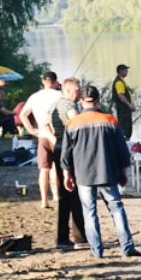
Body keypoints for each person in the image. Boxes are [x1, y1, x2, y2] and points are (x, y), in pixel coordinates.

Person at [60, 85, 141, 259]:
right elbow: (122, 151)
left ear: (81, 102)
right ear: (98, 101)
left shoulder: (72, 123)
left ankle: (97, 251)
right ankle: (126, 247)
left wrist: (67, 174)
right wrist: (124, 172)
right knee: (117, 209)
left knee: (89, 212)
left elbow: (66, 153)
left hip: (83, 175)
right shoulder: (110, 120)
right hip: (108, 173)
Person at [51, 77, 88, 250]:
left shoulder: (56, 104)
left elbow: (44, 123)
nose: (79, 93)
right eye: (77, 91)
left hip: (58, 149)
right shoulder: (68, 106)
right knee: (74, 194)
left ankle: (63, 237)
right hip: (70, 152)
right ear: (67, 91)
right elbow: (78, 122)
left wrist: (54, 138)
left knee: (65, 196)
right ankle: (79, 237)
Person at [19, 71, 63, 208]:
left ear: (43, 82)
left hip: (42, 135)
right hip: (58, 135)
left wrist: (32, 130)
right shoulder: (60, 95)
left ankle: (44, 200)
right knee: (56, 167)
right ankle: (56, 195)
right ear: (56, 82)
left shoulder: (34, 97)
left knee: (44, 169)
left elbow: (23, 115)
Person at [111, 64, 136, 140]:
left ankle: (127, 140)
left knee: (127, 126)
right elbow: (121, 96)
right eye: (125, 70)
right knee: (125, 127)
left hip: (125, 109)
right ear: (120, 71)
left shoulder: (121, 80)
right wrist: (129, 105)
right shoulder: (119, 82)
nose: (127, 71)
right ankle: (125, 141)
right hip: (123, 109)